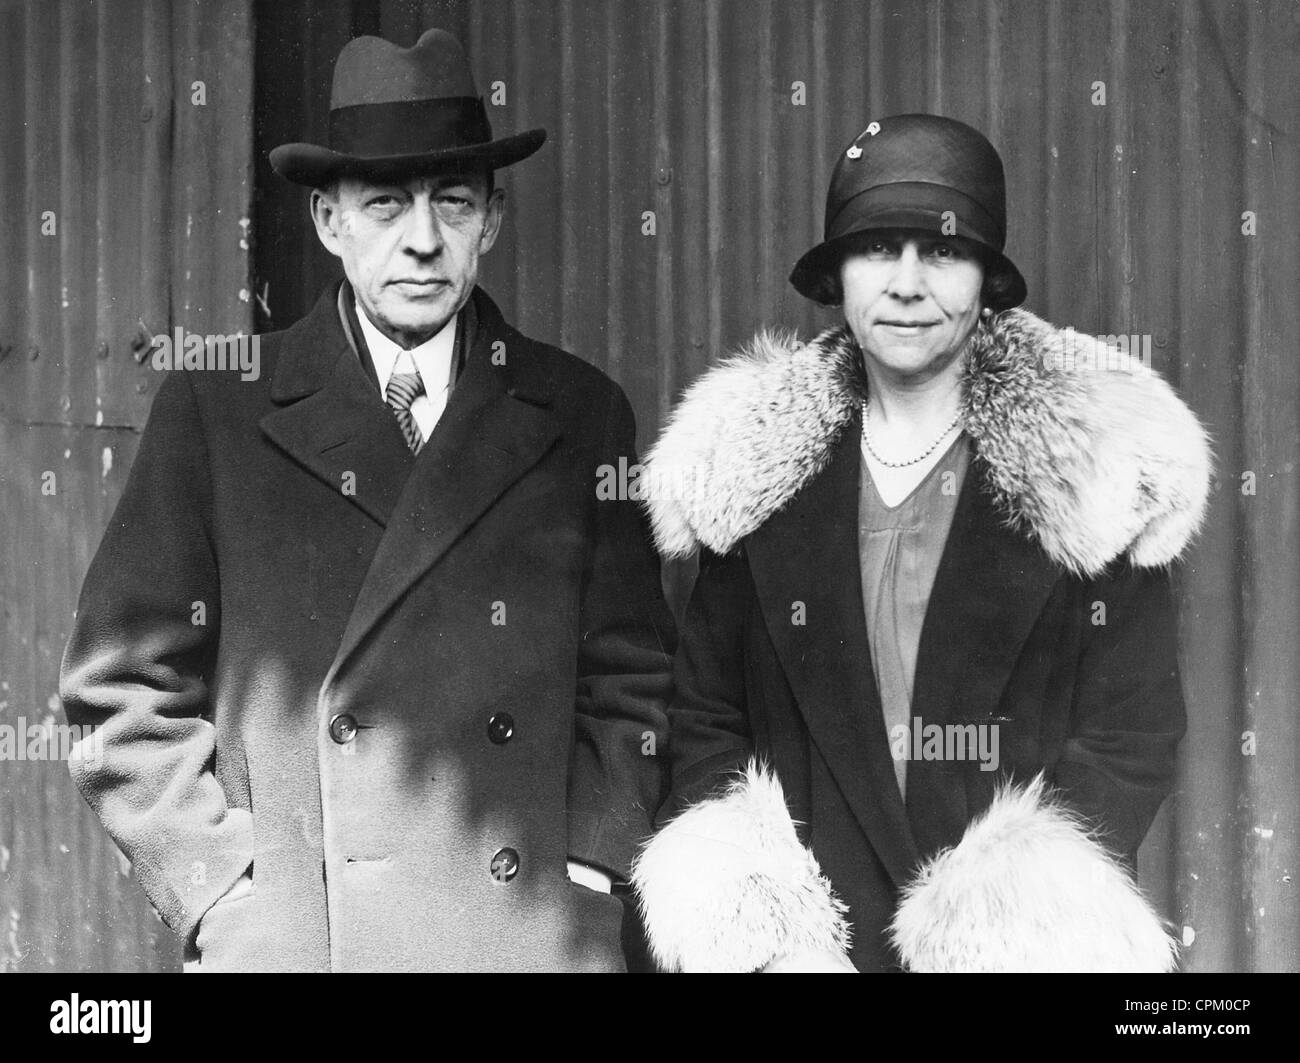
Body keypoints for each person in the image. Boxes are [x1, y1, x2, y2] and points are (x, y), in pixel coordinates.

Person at [60, 29, 674, 972]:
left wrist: (587, 879)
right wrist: (223, 894)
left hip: (517, 943)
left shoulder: (580, 415)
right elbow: (122, 687)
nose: (423, 239)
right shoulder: (218, 406)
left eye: (453, 203)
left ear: (492, 221)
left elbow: (632, 684)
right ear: (327, 222)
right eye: (385, 204)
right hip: (304, 945)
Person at [631, 114, 1210, 973]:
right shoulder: (751, 475)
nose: (906, 283)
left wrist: (1012, 922)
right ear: (837, 275)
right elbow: (707, 717)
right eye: (876, 249)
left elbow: (1133, 732)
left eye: (941, 252)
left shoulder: (1087, 474)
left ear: (987, 278)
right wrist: (761, 934)